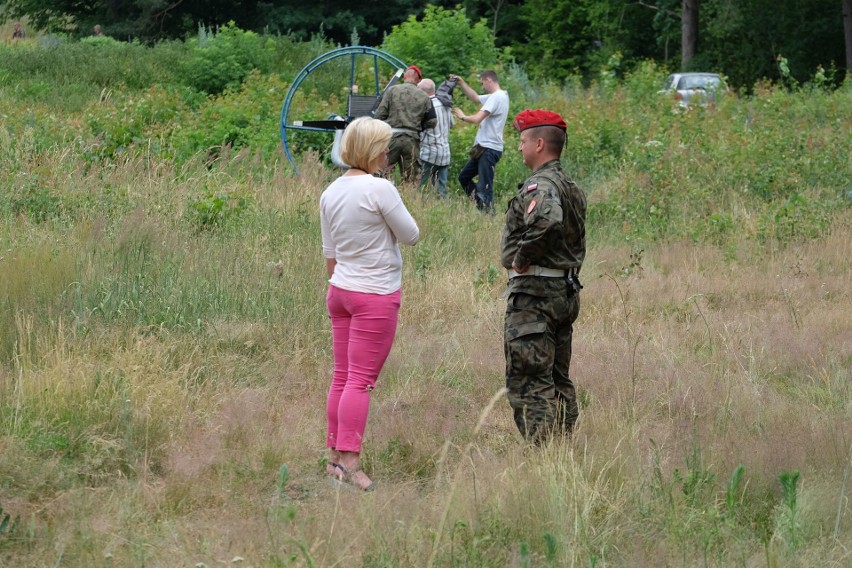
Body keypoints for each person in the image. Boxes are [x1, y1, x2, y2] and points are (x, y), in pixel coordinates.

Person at [320, 117, 421, 491]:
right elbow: (411, 235)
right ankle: (350, 463)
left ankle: (334, 460)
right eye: (383, 145)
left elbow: (329, 253)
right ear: (369, 149)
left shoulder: (330, 192)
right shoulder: (380, 190)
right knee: (360, 382)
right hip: (375, 294)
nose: (387, 152)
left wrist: (338, 283)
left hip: (341, 291)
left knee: (342, 377)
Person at [500, 109, 587, 445]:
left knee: (529, 380)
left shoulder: (542, 185)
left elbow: (547, 221)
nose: (519, 148)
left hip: (536, 294)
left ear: (539, 144)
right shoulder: (570, 186)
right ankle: (562, 448)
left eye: (522, 141)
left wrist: (522, 257)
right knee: (556, 377)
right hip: (562, 290)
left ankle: (542, 454)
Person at [450, 70, 509, 214]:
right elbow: (475, 98)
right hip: (483, 148)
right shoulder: (499, 96)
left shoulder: (497, 97)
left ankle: (488, 214)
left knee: (485, 187)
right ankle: (483, 207)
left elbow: (477, 119)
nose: (482, 86)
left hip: (489, 149)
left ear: (489, 80)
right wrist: (461, 82)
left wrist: (462, 116)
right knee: (464, 178)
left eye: (482, 83)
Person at [374, 65, 436, 184]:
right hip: (412, 140)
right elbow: (432, 122)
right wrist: (418, 126)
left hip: (391, 138)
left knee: (381, 174)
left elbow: (379, 115)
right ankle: (408, 200)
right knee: (411, 179)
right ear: (418, 80)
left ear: (404, 77)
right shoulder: (425, 97)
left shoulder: (392, 91)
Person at [416, 78, 454, 199]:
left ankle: (413, 208)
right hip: (444, 153)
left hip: (428, 152)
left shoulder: (425, 106)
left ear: (422, 91)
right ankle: (445, 212)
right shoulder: (445, 104)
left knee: (416, 185)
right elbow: (451, 124)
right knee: (441, 190)